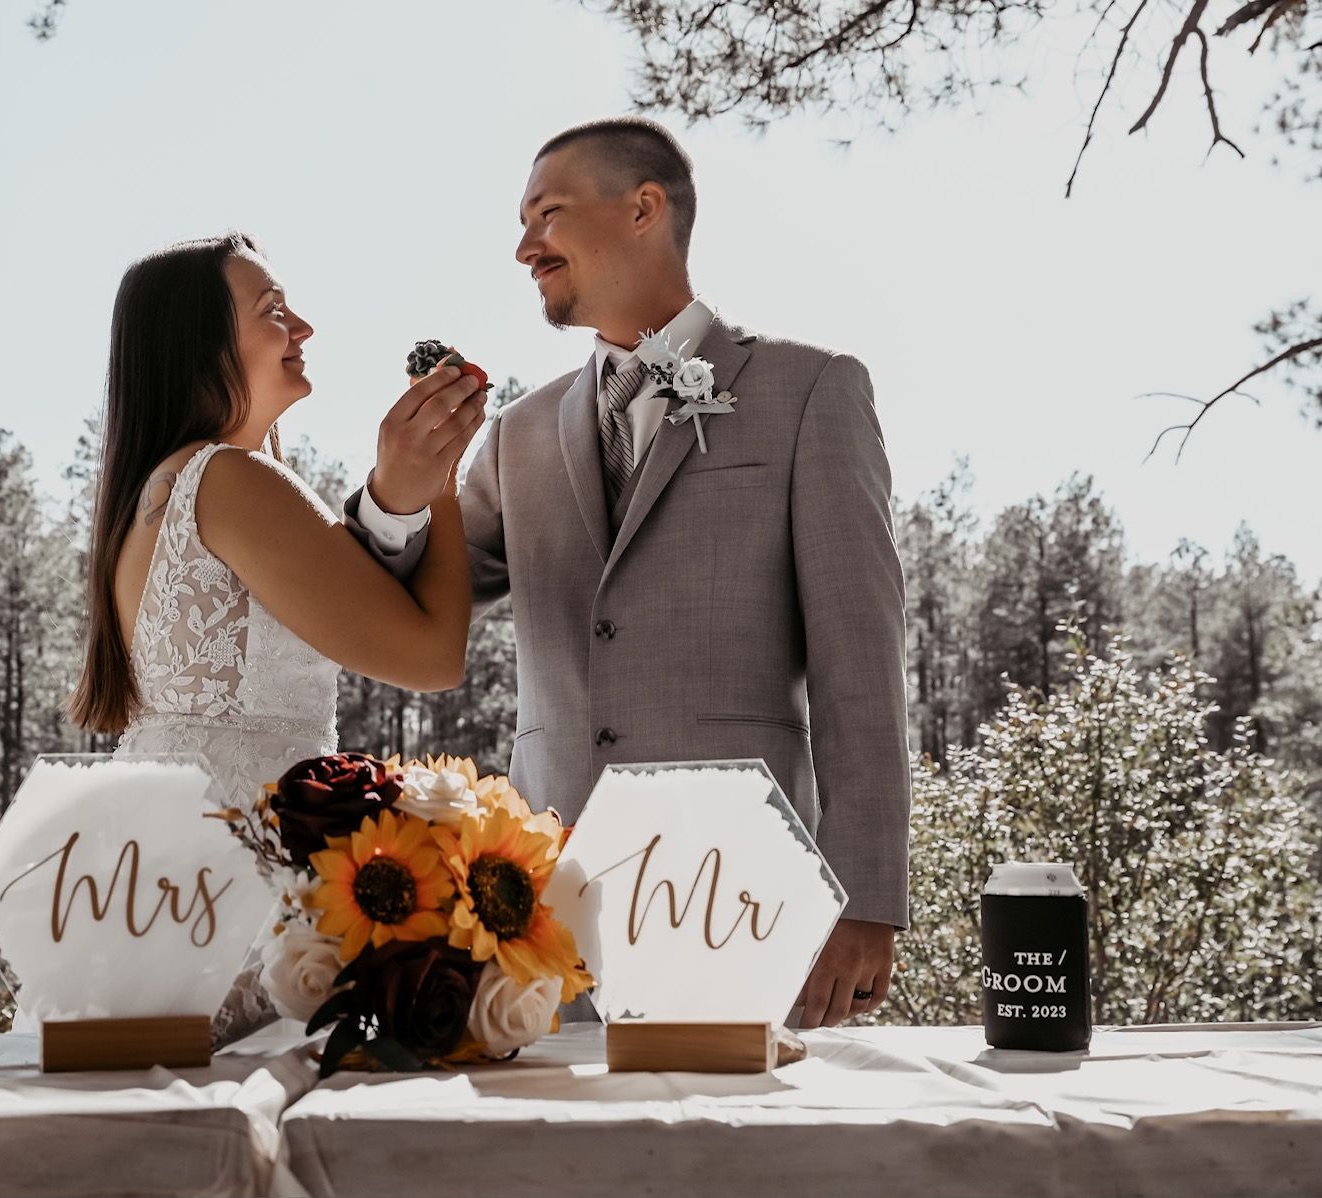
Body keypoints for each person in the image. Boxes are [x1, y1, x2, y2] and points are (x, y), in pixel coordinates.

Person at [345, 118, 911, 1029]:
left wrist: (867, 896)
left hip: (745, 898)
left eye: (548, 214)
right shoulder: (519, 434)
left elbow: (861, 666)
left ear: (644, 208)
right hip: (547, 913)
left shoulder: (811, 391)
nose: (525, 246)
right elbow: (418, 599)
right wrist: (398, 494)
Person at [67, 231, 486, 1040]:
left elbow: (352, 580)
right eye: (274, 312)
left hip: (164, 873)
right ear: (202, 344)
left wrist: (398, 490)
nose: (304, 329)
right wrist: (441, 483)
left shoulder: (157, 491)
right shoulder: (228, 479)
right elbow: (431, 656)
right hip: (239, 886)